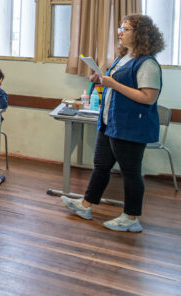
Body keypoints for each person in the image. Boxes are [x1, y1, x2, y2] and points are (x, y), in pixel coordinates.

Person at [62, 14, 164, 233]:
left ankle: (131, 218)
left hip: (131, 127)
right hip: (110, 122)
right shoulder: (123, 57)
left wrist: (114, 84)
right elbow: (115, 86)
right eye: (120, 28)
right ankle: (86, 205)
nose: (120, 32)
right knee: (101, 165)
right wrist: (101, 80)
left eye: (125, 29)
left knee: (130, 172)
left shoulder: (148, 64)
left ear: (140, 34)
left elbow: (148, 98)